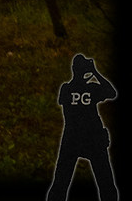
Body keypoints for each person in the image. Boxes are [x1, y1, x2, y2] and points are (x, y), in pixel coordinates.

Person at [47, 54, 118, 201]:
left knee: (60, 184)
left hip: (71, 138)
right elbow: (111, 92)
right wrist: (95, 72)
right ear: (84, 70)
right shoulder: (92, 89)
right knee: (106, 184)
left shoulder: (66, 89)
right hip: (93, 138)